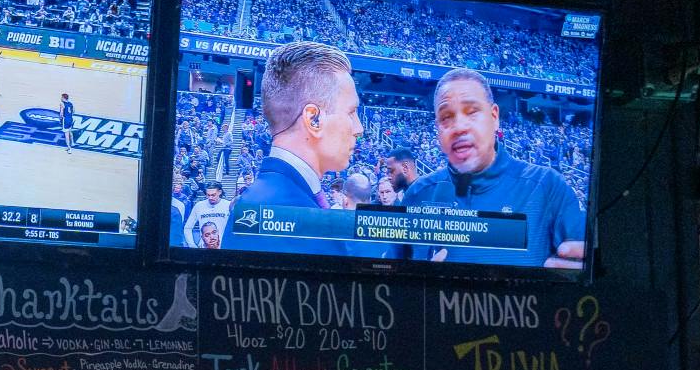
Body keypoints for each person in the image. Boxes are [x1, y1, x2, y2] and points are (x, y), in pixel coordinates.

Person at [397, 67, 586, 269]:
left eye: (472, 112)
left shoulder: (548, 187)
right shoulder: (417, 194)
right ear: (437, 130)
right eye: (446, 117)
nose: (459, 127)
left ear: (494, 117)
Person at [221, 40, 363, 254]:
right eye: (351, 112)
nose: (359, 128)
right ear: (313, 120)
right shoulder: (293, 219)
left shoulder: (260, 202)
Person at [184, 180, 227, 249]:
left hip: (223, 248)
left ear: (220, 192)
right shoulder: (199, 206)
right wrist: (192, 245)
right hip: (203, 248)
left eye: (213, 195)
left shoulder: (228, 205)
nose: (210, 198)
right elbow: (187, 227)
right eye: (208, 195)